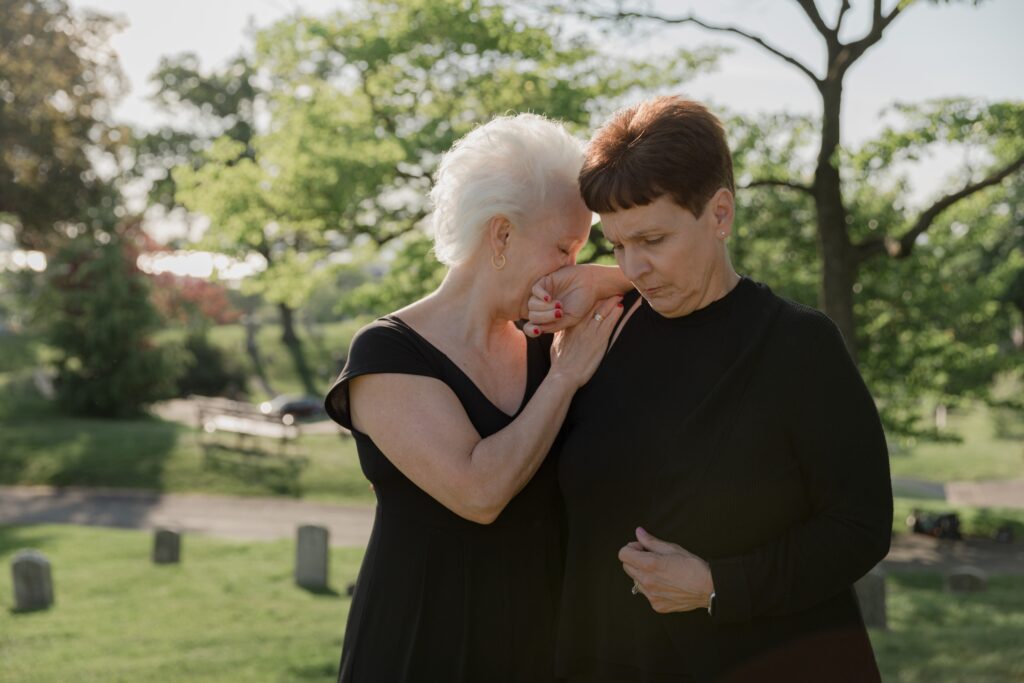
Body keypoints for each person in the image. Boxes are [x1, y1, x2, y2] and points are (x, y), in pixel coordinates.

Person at [528, 96, 893, 682]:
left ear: (719, 214)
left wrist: (720, 586)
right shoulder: (599, 334)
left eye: (653, 240)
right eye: (617, 245)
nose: (635, 267)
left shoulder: (797, 346)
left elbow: (861, 525)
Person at [323, 113, 625, 682]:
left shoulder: (552, 336)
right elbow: (480, 492)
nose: (571, 268)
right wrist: (562, 381)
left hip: (540, 653)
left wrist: (606, 281)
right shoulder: (386, 354)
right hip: (415, 652)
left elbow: (675, 288)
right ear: (502, 234)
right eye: (564, 248)